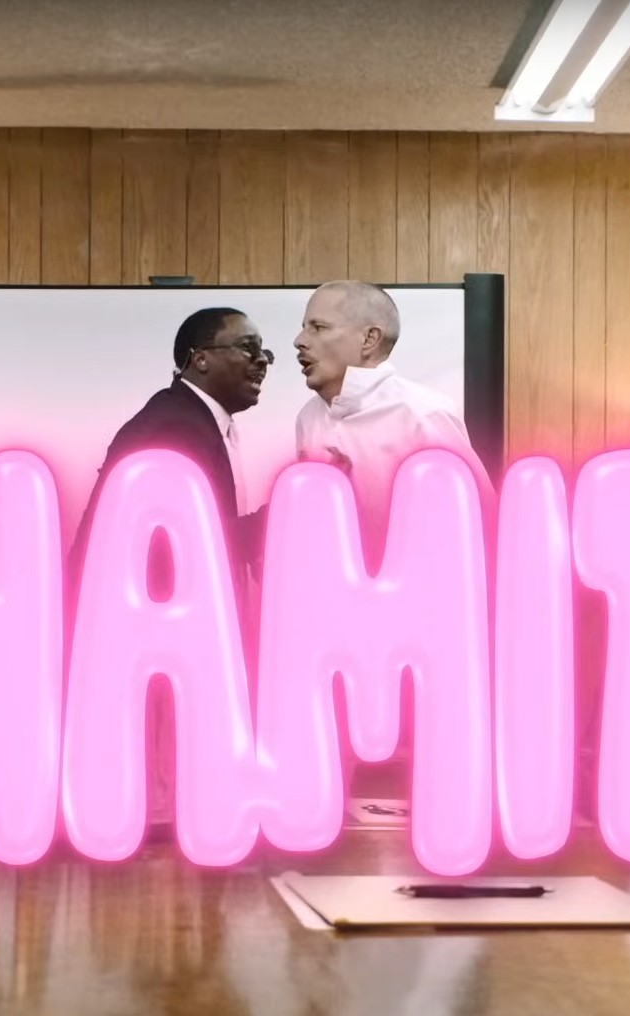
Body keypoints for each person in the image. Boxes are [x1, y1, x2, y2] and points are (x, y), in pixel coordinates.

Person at [67, 307, 273, 829]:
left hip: (144, 628)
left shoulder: (189, 416)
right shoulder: (178, 424)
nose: (262, 362)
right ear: (199, 359)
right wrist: (294, 510)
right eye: (248, 348)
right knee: (155, 795)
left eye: (265, 353)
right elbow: (197, 546)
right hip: (143, 630)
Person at [291, 280, 495, 562]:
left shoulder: (421, 413)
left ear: (369, 339)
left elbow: (481, 516)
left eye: (318, 327)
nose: (299, 341)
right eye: (304, 327)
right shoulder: (308, 418)